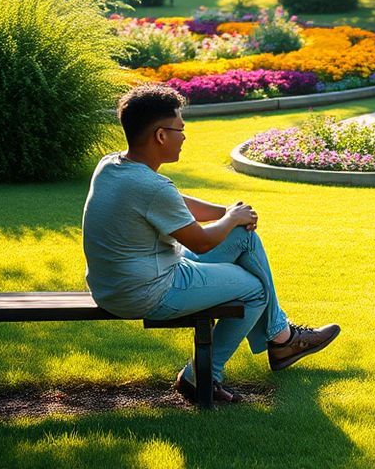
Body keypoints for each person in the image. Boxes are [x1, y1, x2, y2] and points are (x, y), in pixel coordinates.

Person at [82, 84, 340, 404]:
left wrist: (228, 215)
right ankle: (207, 373)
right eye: (180, 129)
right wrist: (231, 219)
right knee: (254, 289)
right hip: (146, 292)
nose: (184, 136)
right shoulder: (151, 186)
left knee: (244, 236)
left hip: (115, 285)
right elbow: (202, 243)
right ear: (160, 136)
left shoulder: (112, 165)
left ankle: (281, 336)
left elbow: (175, 204)